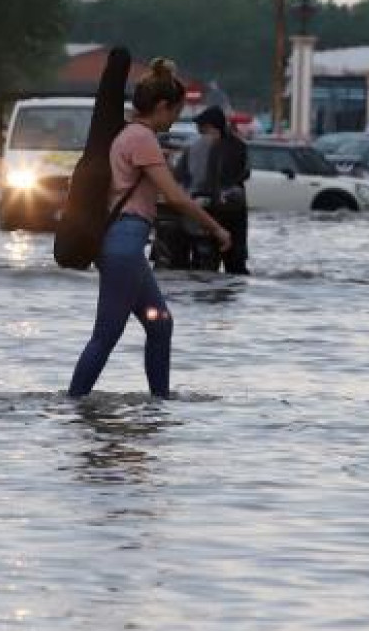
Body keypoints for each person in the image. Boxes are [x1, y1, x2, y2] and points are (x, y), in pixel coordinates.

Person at [70, 59, 232, 400]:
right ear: (161, 106)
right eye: (175, 112)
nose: (175, 119)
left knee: (160, 324)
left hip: (123, 244)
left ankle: (160, 404)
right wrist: (217, 229)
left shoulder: (127, 134)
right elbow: (175, 197)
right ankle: (74, 405)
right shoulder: (142, 138)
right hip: (124, 246)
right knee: (106, 334)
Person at [174, 106, 250, 274]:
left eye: (202, 128)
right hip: (205, 212)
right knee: (204, 265)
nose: (200, 133)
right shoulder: (194, 149)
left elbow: (239, 175)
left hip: (229, 212)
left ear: (212, 127)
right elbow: (181, 177)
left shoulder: (236, 147)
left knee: (234, 264)